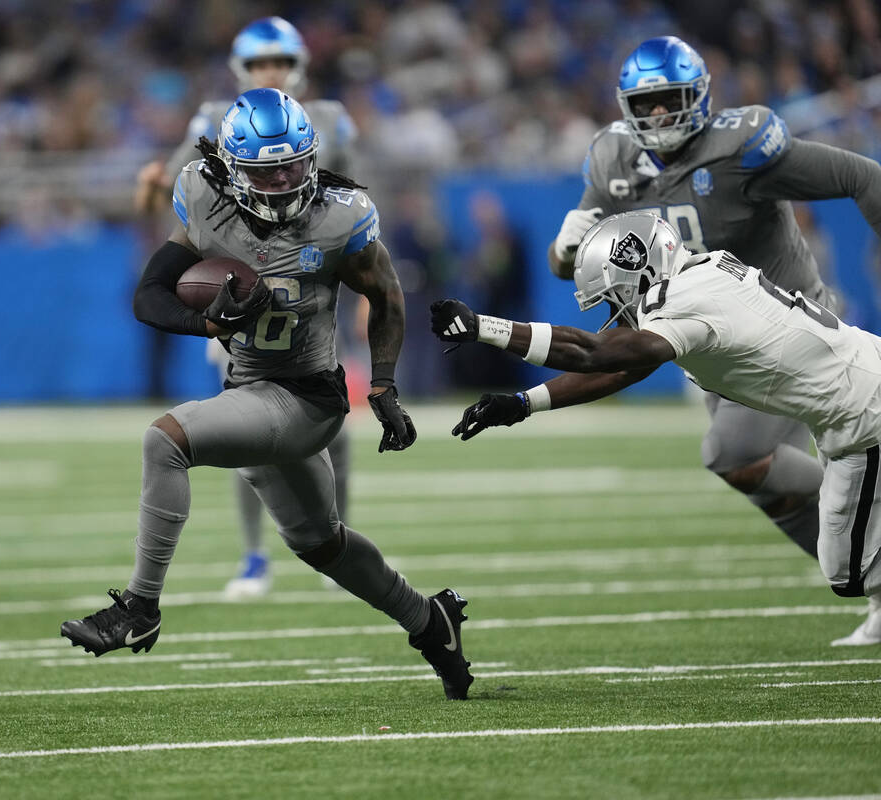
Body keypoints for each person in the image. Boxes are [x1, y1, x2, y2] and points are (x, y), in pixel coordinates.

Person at [62, 88, 474, 700]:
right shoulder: (204, 199)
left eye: (292, 163)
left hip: (307, 398)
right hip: (251, 389)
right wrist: (208, 322)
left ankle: (139, 606)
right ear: (233, 169)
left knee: (166, 439)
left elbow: (386, 293)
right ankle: (429, 620)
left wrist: (384, 384)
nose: (282, 179)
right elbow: (149, 295)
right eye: (265, 168)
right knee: (322, 544)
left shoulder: (341, 215)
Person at [544, 36, 881, 644]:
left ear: (696, 97)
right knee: (749, 474)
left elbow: (862, 176)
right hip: (705, 345)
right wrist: (567, 249)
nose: (657, 116)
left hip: (781, 328)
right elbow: (565, 260)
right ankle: (876, 578)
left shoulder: (741, 149)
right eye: (644, 105)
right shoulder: (614, 162)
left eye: (668, 100)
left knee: (732, 455)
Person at [431, 211, 881, 644]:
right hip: (853, 399)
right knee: (847, 557)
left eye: (612, 295)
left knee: (848, 569)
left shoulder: (684, 298)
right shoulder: (702, 274)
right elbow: (627, 369)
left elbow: (595, 354)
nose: (613, 308)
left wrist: (484, 328)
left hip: (862, 412)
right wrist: (523, 403)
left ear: (636, 272)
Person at [135, 16, 361, 600]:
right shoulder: (216, 122)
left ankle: (337, 541)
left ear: (299, 64)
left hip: (312, 297)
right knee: (246, 429)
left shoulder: (330, 120)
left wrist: (363, 295)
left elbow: (354, 215)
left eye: (279, 62)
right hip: (240, 293)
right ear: (242, 69)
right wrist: (150, 192)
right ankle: (254, 554)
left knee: (333, 429)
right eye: (260, 64)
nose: (270, 72)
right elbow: (178, 186)